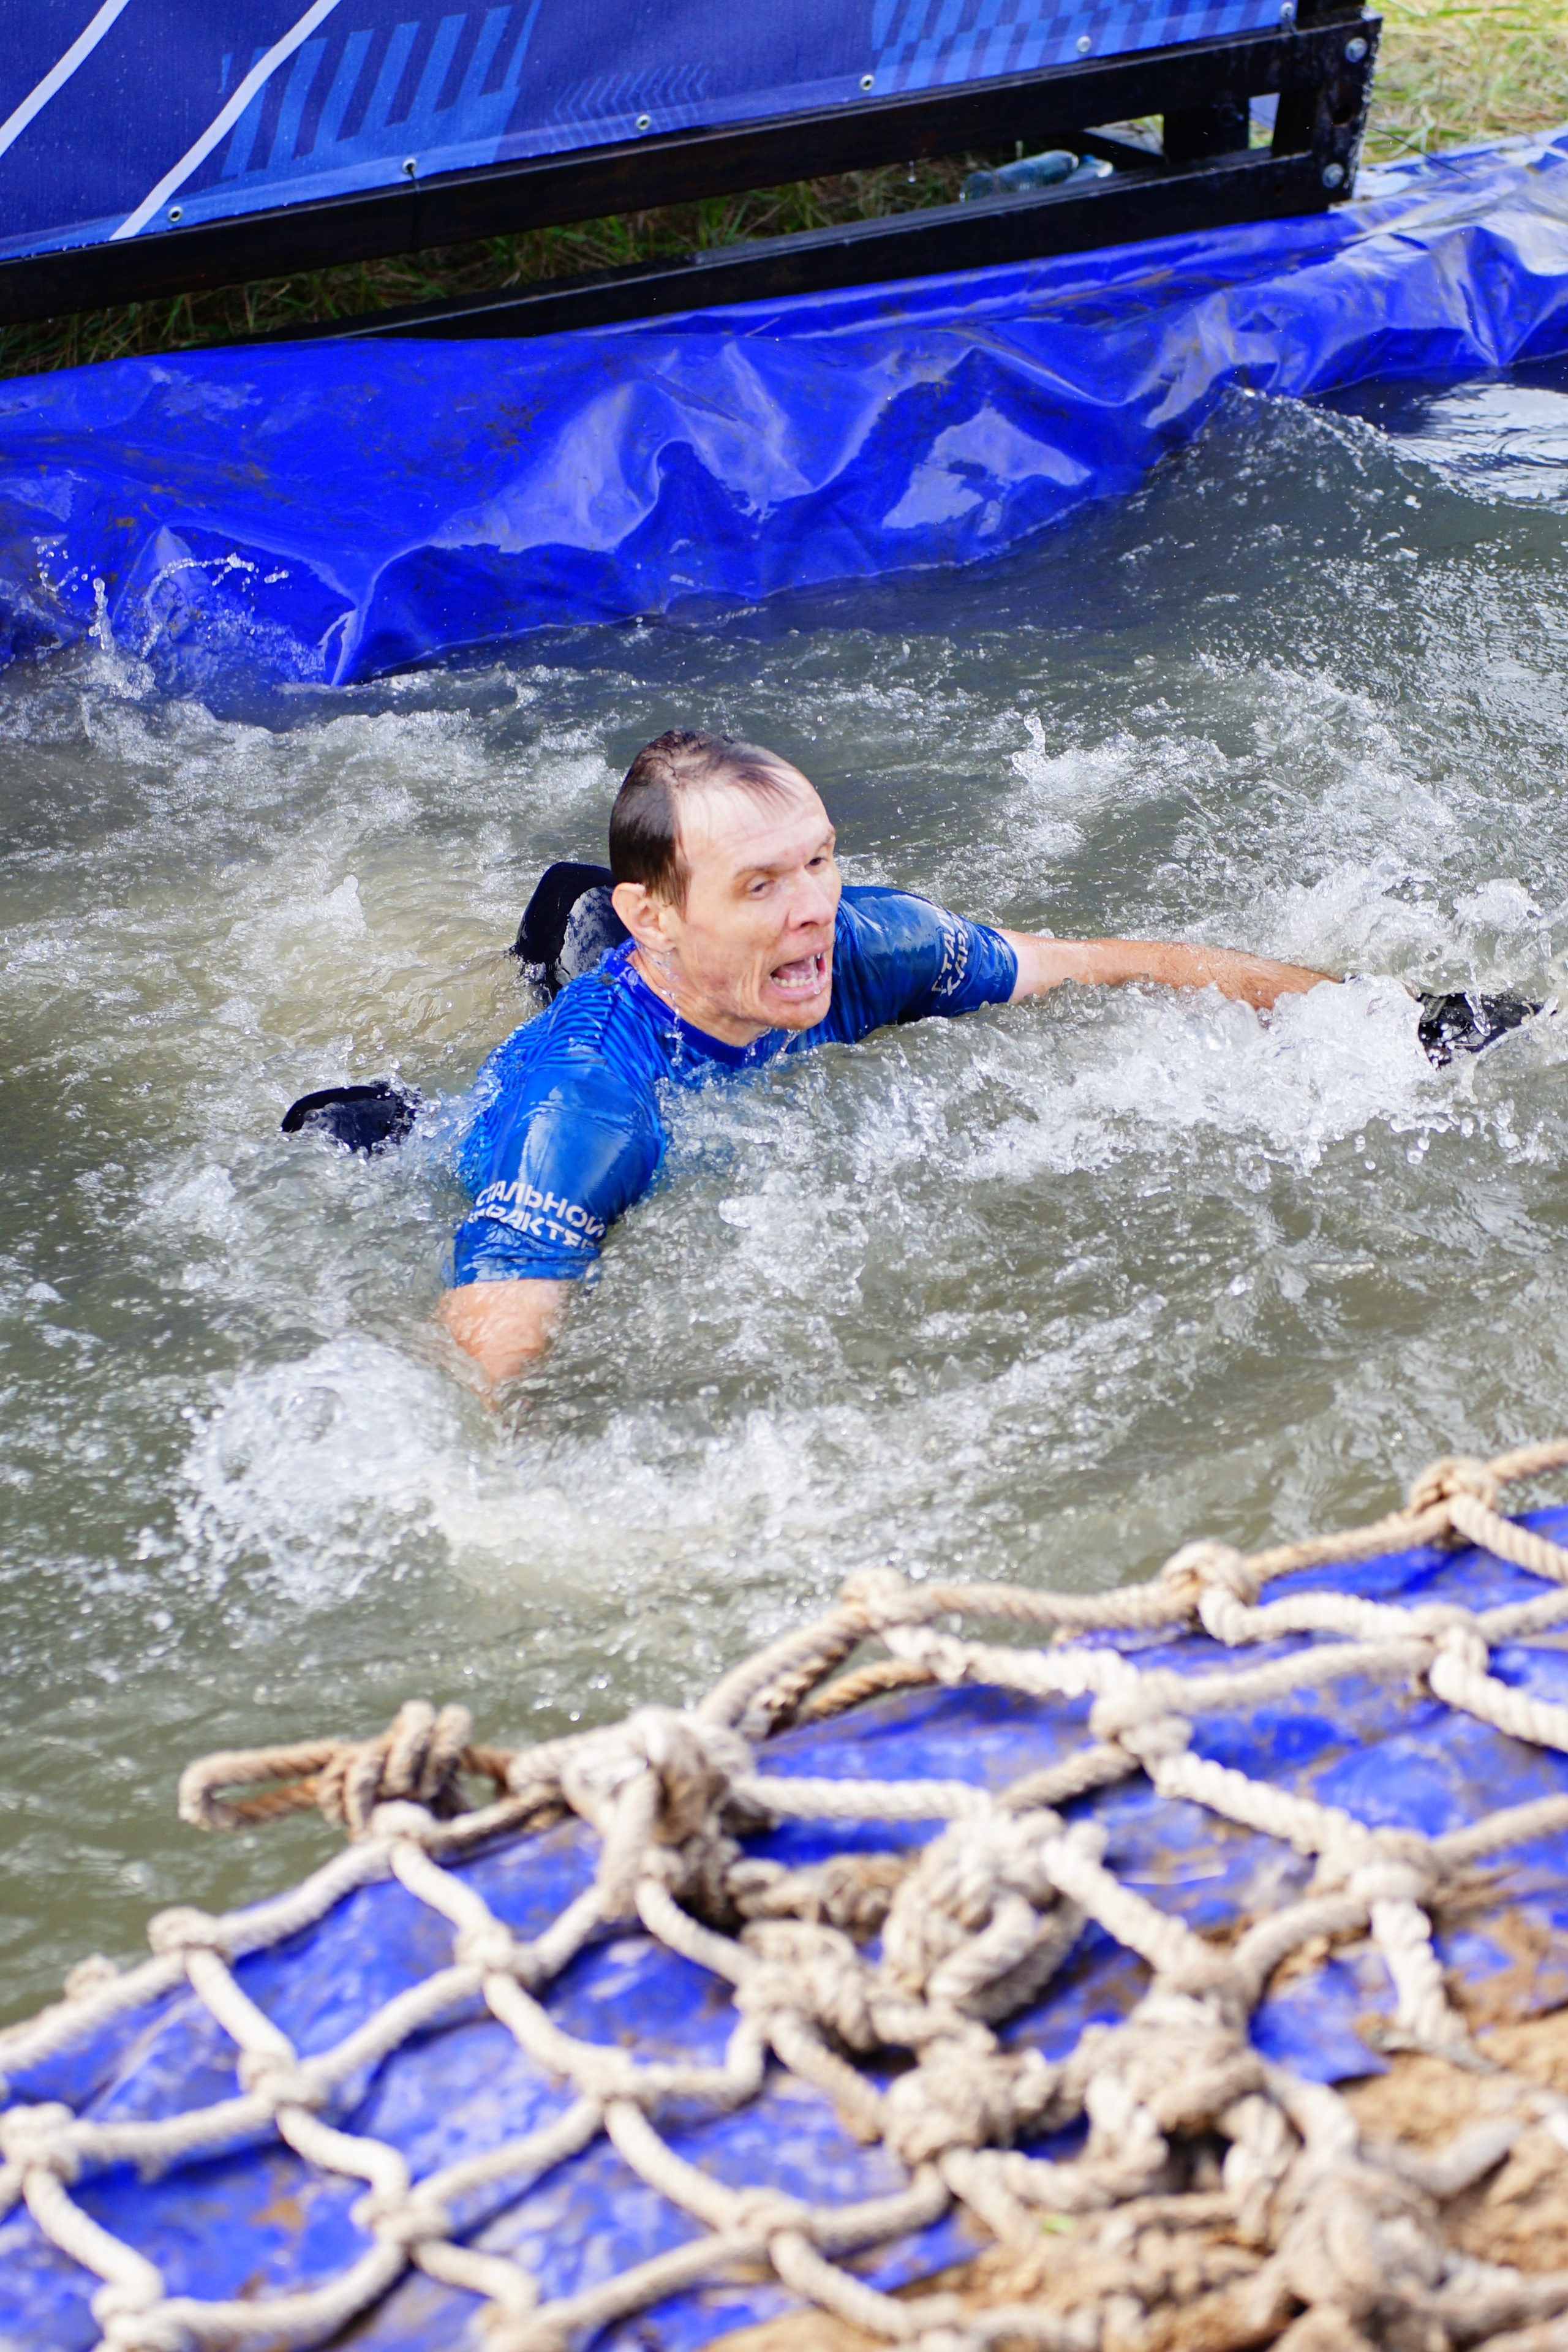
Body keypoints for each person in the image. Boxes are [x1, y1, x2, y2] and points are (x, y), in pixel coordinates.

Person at [437, 729, 1332, 1387]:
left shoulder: (875, 941)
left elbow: (1102, 964)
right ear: (656, 919)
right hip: (460, 1121)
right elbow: (493, 1342)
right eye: (762, 884)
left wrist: (1371, 1011)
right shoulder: (583, 1105)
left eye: (819, 860)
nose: (813, 908)